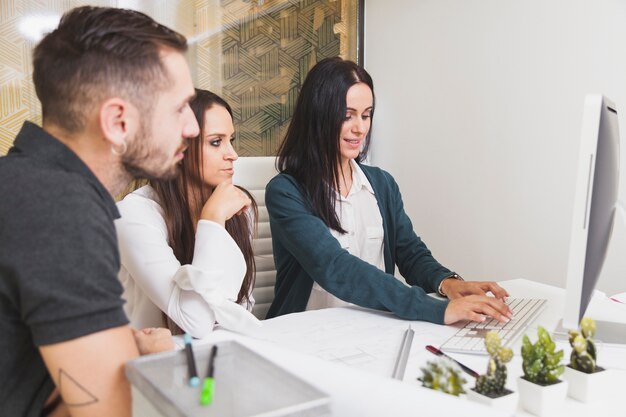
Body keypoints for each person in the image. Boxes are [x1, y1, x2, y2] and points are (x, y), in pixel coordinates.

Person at [0, 6, 200, 417]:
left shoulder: (25, 182)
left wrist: (127, 345)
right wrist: (136, 360)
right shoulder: (58, 209)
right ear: (118, 122)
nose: (192, 128)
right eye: (180, 108)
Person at [265, 57, 513, 325]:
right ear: (318, 116)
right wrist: (435, 309)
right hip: (306, 335)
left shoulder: (382, 184)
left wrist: (447, 283)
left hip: (374, 332)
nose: (359, 127)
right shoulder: (285, 192)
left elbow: (410, 253)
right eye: (346, 116)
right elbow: (334, 267)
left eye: (366, 115)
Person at [116, 89, 261, 339]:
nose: (233, 154)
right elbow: (196, 321)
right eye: (216, 142)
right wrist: (212, 219)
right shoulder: (134, 215)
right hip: (149, 364)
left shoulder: (233, 206)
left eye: (231, 140)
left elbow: (239, 308)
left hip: (216, 355)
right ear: (178, 151)